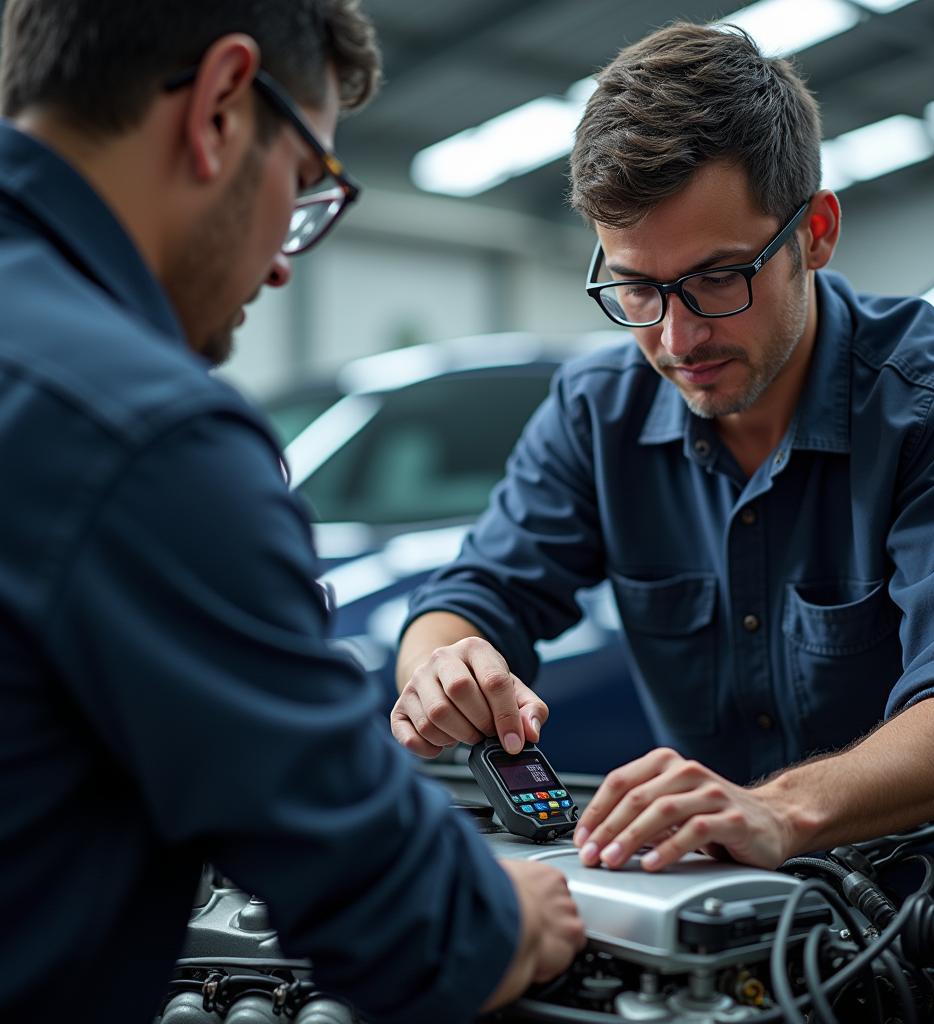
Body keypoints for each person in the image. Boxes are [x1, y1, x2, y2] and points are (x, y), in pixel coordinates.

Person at [0, 2, 585, 1021]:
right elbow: (413, 932)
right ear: (222, 105)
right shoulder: (146, 433)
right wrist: (510, 912)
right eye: (308, 184)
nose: (281, 260)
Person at [393, 20, 934, 896]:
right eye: (638, 288)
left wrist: (780, 811)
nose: (678, 337)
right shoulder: (596, 413)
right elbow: (474, 596)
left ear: (816, 233)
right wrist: (441, 663)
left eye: (719, 278)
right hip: (715, 909)